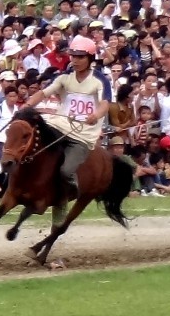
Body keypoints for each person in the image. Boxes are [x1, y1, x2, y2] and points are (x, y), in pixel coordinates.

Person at [21, 36, 108, 199]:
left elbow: (104, 103)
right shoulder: (63, 77)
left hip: (83, 133)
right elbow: (43, 93)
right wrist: (26, 106)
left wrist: (96, 115)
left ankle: (72, 188)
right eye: (73, 56)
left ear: (90, 58)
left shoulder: (100, 80)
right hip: (60, 125)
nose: (75, 60)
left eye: (80, 57)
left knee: (66, 170)